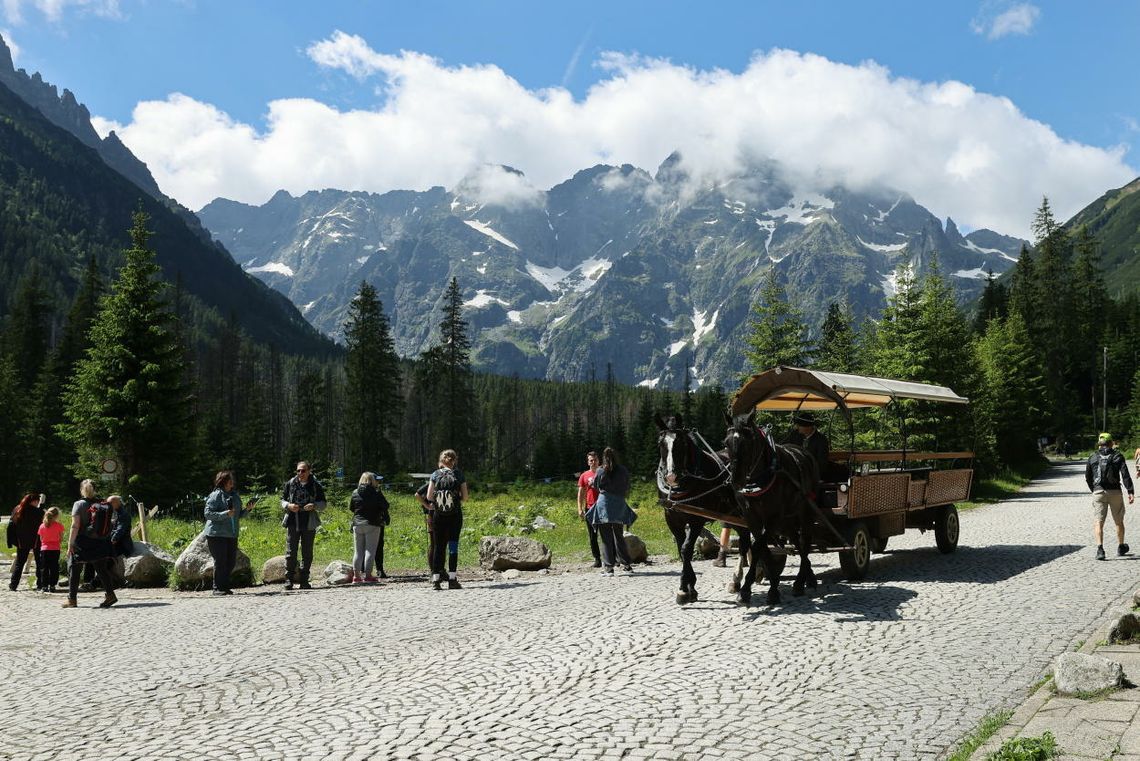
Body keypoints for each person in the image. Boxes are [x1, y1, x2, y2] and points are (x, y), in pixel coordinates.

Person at [63, 479, 117, 609]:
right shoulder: (103, 503)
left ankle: (72, 600)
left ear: (81, 490)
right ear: (95, 489)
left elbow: (75, 525)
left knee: (74, 569)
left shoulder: (78, 504)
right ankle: (110, 595)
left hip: (82, 542)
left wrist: (70, 543)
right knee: (101, 569)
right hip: (100, 542)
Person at [203, 471, 256, 596]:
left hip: (231, 534)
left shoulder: (235, 495)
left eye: (232, 479)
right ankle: (217, 588)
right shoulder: (215, 495)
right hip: (216, 534)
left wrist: (248, 509)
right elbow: (208, 514)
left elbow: (238, 515)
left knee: (231, 562)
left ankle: (224, 587)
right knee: (220, 561)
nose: (231, 481)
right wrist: (225, 514)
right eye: (229, 479)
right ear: (222, 481)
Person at [588, 447, 637, 577]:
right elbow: (627, 486)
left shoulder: (600, 470)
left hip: (604, 504)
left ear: (603, 458)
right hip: (619, 504)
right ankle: (627, 566)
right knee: (619, 536)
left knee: (605, 538)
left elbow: (596, 486)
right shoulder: (623, 470)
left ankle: (609, 568)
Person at [1086, 432, 1134, 561]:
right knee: (1118, 521)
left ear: (1099, 444)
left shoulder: (1092, 457)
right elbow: (1125, 475)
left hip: (1098, 492)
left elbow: (1088, 477)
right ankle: (1120, 546)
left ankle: (1100, 549)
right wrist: (1130, 491)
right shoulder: (1118, 456)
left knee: (1098, 522)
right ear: (1111, 443)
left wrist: (1095, 490)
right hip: (1115, 492)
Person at [425, 449, 468, 590]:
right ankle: (452, 579)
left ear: (441, 461)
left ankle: (436, 580)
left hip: (438, 516)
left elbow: (430, 496)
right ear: (454, 461)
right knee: (453, 546)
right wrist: (456, 499)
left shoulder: (435, 474)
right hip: (455, 515)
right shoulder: (458, 474)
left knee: (438, 547)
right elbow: (466, 497)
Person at [280, 461, 327, 590]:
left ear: (309, 471)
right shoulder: (290, 484)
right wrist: (288, 505)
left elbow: (323, 504)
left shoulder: (316, 485)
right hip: (292, 521)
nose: (300, 473)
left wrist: (314, 506)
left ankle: (304, 580)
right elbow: (282, 500)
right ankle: (288, 580)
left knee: (307, 552)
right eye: (298, 471)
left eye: (303, 470)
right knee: (290, 552)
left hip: (309, 522)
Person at [349, 472, 390, 584]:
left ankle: (356, 577)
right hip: (372, 523)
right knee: (370, 551)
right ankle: (367, 576)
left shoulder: (355, 492)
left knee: (358, 552)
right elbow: (386, 505)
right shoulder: (376, 492)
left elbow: (351, 507)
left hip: (357, 524)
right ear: (372, 480)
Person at [7, 493, 45, 592]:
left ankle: (13, 585)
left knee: (19, 564)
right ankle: (40, 584)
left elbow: (11, 525)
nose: (38, 503)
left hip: (22, 541)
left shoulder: (17, 509)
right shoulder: (38, 512)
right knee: (39, 563)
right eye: (37, 501)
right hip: (36, 540)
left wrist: (11, 540)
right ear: (34, 501)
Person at [576, 451, 603, 568]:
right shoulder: (584, 476)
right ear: (588, 462)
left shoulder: (603, 472)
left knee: (607, 534)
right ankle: (597, 559)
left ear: (599, 461)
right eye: (591, 460)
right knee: (592, 535)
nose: (593, 462)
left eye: (595, 460)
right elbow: (581, 493)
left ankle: (612, 557)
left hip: (603, 507)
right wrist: (580, 508)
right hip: (590, 508)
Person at [37, 507, 64, 593]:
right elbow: (61, 539)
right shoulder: (59, 526)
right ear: (56, 516)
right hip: (55, 549)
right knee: (54, 568)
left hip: (44, 549)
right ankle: (52, 585)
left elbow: (41, 539)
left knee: (44, 568)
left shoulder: (42, 526)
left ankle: (44, 586)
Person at [414, 481, 435, 572]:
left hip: (433, 515)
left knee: (436, 544)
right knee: (434, 544)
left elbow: (417, 495)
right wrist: (426, 506)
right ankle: (433, 570)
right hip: (432, 515)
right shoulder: (433, 480)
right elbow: (417, 494)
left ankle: (436, 569)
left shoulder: (434, 479)